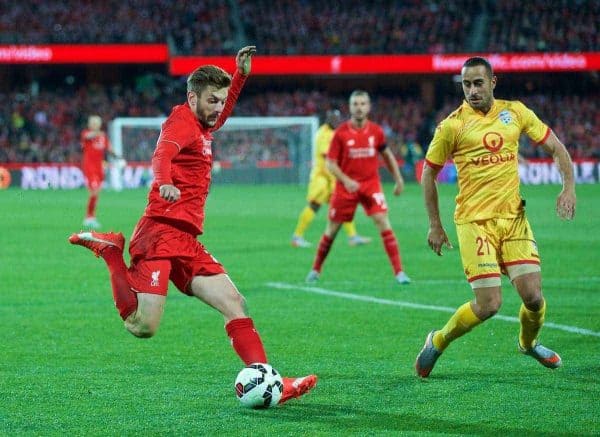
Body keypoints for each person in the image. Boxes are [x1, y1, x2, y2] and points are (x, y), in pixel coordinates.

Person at [68, 46, 317, 404]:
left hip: (186, 238)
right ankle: (111, 254)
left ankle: (271, 384)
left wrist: (241, 75)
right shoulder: (181, 122)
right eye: (212, 101)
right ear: (192, 97)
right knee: (142, 326)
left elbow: (223, 111)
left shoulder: (204, 123)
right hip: (160, 231)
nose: (218, 108)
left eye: (221, 101)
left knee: (236, 303)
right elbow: (161, 155)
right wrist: (164, 181)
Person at [415, 57, 576, 377]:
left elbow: (557, 148)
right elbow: (428, 174)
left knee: (533, 298)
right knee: (489, 304)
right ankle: (438, 340)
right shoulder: (452, 125)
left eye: (478, 83)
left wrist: (568, 188)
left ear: (493, 82)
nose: (472, 91)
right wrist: (435, 224)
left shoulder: (515, 111)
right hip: (474, 223)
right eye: (466, 85)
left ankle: (528, 344)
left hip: (514, 219)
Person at [305, 90, 411, 285]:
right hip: (345, 188)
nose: (359, 107)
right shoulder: (340, 133)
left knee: (383, 221)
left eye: (363, 104)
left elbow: (387, 155)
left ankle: (399, 273)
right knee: (332, 230)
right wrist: (346, 181)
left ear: (368, 107)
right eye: (355, 104)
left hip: (371, 185)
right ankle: (315, 269)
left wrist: (399, 179)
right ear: (350, 107)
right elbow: (330, 164)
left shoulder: (376, 132)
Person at [291, 109, 372, 248]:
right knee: (315, 205)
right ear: (328, 119)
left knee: (343, 205)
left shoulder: (333, 133)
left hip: (330, 178)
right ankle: (297, 237)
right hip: (322, 177)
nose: (336, 121)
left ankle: (353, 237)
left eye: (338, 119)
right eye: (334, 119)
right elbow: (327, 156)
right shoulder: (324, 133)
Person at [80, 115, 122, 229]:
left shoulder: (103, 137)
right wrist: (97, 133)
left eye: (96, 123)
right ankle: (89, 217)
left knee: (96, 192)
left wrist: (118, 156)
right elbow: (88, 136)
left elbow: (110, 149)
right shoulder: (86, 134)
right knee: (94, 191)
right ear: (89, 124)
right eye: (92, 123)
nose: (94, 125)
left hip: (99, 168)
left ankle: (90, 217)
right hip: (90, 167)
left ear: (99, 124)